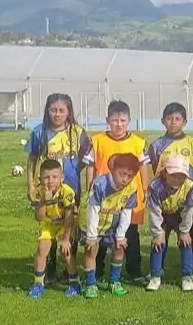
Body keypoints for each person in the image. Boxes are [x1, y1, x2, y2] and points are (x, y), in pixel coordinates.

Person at [83, 100, 150, 285]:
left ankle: (134, 271)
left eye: (122, 120)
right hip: (104, 197)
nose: (118, 124)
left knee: (130, 234)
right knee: (99, 234)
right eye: (114, 120)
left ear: (129, 120)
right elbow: (90, 166)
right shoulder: (97, 140)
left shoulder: (137, 142)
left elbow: (144, 166)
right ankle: (96, 271)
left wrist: (144, 188)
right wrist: (90, 188)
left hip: (128, 197)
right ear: (107, 120)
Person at [25, 93, 90, 282]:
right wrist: (30, 185)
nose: (57, 114)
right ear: (47, 111)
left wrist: (81, 177)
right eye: (53, 110)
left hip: (71, 189)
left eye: (62, 110)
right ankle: (50, 268)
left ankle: (70, 268)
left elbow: (88, 158)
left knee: (71, 225)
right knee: (49, 224)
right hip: (48, 189)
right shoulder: (40, 132)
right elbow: (32, 160)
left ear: (69, 112)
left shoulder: (78, 132)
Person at [147, 102, 193, 275]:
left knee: (187, 232)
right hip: (163, 198)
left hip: (186, 197)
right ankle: (157, 269)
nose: (173, 122)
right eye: (169, 119)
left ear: (185, 121)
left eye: (178, 119)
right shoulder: (156, 145)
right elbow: (155, 169)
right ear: (163, 121)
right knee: (161, 233)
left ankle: (192, 267)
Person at [81, 153, 140, 299]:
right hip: (92, 223)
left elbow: (127, 213)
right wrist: (91, 236)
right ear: (113, 169)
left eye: (129, 176)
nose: (125, 179)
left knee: (119, 247)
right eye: (122, 174)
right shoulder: (100, 184)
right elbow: (92, 211)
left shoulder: (132, 188)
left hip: (111, 225)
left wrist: (121, 236)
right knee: (92, 249)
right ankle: (90, 284)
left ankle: (114, 281)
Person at [145, 155, 193, 293]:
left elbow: (189, 210)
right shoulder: (155, 186)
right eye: (173, 175)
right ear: (165, 173)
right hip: (162, 216)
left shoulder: (190, 186)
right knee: (158, 244)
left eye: (181, 176)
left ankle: (187, 275)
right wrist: (158, 233)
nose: (177, 179)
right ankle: (155, 275)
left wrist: (185, 231)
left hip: (180, 216)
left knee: (186, 242)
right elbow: (154, 211)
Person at [27, 159, 79, 298]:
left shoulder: (67, 192)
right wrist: (44, 200)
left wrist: (66, 238)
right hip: (49, 223)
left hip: (64, 224)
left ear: (62, 178)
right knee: (41, 249)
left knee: (66, 251)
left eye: (55, 177)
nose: (51, 181)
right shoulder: (39, 191)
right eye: (46, 177)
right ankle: (38, 283)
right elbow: (39, 217)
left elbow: (69, 218)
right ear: (40, 178)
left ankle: (74, 283)